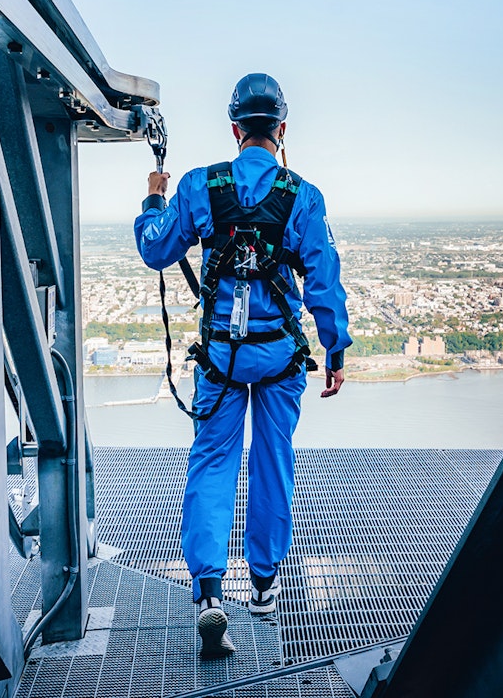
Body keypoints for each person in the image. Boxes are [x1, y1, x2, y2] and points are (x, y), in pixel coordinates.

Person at [134, 73, 351, 658]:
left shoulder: (201, 186)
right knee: (272, 461)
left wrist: (154, 198)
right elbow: (324, 284)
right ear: (281, 130)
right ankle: (262, 587)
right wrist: (334, 349)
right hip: (280, 356)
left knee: (212, 463)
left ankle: (209, 594)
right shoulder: (303, 197)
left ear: (235, 129)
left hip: (222, 358)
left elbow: (156, 248)